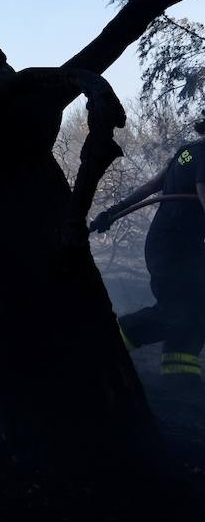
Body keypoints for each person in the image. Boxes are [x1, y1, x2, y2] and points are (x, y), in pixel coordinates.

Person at [91, 113, 205, 383]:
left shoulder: (188, 152)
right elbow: (203, 192)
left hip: (177, 245)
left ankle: (180, 376)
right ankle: (104, 345)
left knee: (199, 305)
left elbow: (154, 184)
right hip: (175, 248)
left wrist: (115, 211)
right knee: (177, 309)